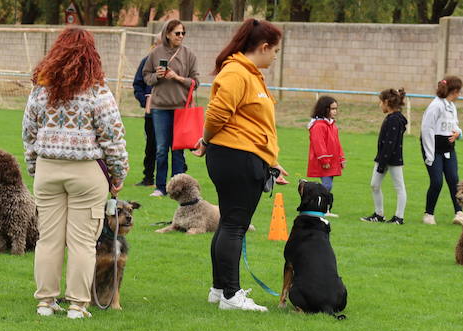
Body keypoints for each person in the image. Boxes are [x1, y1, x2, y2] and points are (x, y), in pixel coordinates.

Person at [22, 28, 128, 319]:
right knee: (83, 241)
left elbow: (29, 133)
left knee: (48, 239)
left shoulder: (41, 91)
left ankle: (45, 301)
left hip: (47, 168)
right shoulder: (97, 92)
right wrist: (118, 173)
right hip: (86, 172)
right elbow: (113, 137)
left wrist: (34, 165)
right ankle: (78, 305)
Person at [194, 18, 286, 312]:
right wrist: (206, 140)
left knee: (229, 223)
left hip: (244, 155)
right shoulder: (236, 72)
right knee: (235, 225)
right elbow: (218, 112)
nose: (275, 56)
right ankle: (231, 296)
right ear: (263, 47)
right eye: (275, 51)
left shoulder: (251, 74)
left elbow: (252, 124)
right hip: (234, 156)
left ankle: (220, 289)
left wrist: (270, 160)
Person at [143, 19, 199, 197]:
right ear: (167, 34)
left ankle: (177, 188)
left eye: (183, 33)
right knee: (161, 149)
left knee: (178, 151)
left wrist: (177, 78)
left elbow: (196, 82)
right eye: (177, 33)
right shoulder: (155, 53)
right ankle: (160, 187)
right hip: (160, 108)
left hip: (181, 109)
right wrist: (157, 76)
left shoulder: (189, 54)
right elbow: (146, 76)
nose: (180, 36)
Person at [421, 76, 463, 226]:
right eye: (459, 92)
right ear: (454, 91)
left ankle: (459, 213)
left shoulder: (451, 106)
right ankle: (428, 214)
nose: (459, 95)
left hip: (449, 149)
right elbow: (427, 130)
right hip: (434, 149)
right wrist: (429, 154)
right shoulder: (435, 106)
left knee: (454, 179)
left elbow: (455, 125)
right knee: (437, 182)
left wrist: (458, 133)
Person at [361, 88, 407, 225]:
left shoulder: (394, 120)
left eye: (380, 102)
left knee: (399, 187)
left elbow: (390, 144)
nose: (379, 105)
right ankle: (379, 214)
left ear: (386, 102)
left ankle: (399, 218)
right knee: (374, 185)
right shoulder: (392, 118)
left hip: (392, 160)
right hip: (383, 158)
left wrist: (382, 164)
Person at [306, 96, 345, 204]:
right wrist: (324, 160)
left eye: (336, 109)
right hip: (324, 162)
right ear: (324, 109)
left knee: (328, 185)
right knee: (327, 185)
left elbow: (337, 143)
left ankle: (321, 206)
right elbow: (319, 144)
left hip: (332, 161)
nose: (335, 111)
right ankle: (316, 204)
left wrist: (341, 158)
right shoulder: (318, 126)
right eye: (332, 109)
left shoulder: (332, 125)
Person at [131, 42, 157, 187]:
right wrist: (145, 100)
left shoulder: (176, 61)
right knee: (151, 146)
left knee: (174, 148)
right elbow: (137, 84)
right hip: (152, 114)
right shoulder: (146, 62)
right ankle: (148, 178)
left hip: (171, 111)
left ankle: (175, 179)